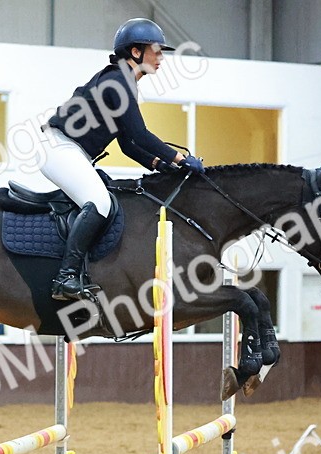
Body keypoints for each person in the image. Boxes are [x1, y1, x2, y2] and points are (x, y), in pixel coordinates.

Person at [41, 18, 205, 301]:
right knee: (101, 203)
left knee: (106, 199)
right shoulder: (119, 81)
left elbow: (128, 144)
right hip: (59, 148)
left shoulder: (122, 80)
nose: (162, 57)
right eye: (157, 50)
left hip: (68, 149)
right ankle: (65, 277)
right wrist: (180, 159)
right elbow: (140, 134)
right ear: (136, 52)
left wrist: (158, 165)